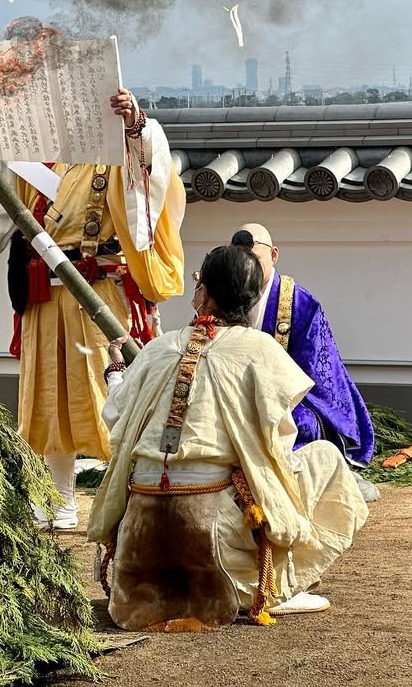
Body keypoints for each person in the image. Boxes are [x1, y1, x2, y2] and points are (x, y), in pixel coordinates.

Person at [0, 19, 185, 530]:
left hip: (98, 290)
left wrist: (136, 127)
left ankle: (130, 503)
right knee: (46, 401)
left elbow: (152, 178)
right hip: (43, 290)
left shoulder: (117, 139)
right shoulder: (25, 151)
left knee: (111, 397)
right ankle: (59, 500)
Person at [87, 245, 368, 631]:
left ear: (203, 293)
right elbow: (279, 445)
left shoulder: (160, 346)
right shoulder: (260, 350)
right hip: (216, 540)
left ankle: (216, 583)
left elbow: (115, 416)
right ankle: (273, 585)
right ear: (252, 301)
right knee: (325, 460)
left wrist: (116, 372)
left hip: (141, 540)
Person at [231, 223, 377, 480]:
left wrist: (270, 395)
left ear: (274, 255)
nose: (248, 270)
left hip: (287, 397)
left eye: (255, 260)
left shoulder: (301, 304)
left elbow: (316, 370)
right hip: (233, 391)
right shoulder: (227, 294)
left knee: (302, 427)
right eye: (242, 261)